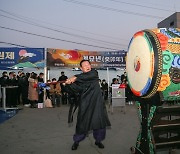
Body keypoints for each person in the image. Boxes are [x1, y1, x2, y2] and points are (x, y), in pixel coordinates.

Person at [65, 59, 111, 150]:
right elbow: (75, 90)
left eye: (88, 64)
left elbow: (88, 76)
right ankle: (76, 141)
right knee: (82, 124)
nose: (87, 66)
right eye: (84, 65)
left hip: (97, 104)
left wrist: (75, 77)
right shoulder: (79, 80)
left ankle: (98, 141)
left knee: (99, 124)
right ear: (81, 68)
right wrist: (68, 84)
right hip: (85, 104)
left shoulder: (94, 73)